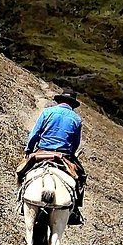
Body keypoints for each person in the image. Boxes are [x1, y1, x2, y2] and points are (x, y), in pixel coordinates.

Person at [23, 89, 87, 223]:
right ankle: (74, 211)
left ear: (59, 100)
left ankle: (21, 199)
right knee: (80, 177)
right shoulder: (76, 119)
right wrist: (71, 154)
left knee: (21, 171)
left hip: (42, 151)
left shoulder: (47, 112)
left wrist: (29, 149)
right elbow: (76, 143)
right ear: (72, 104)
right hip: (64, 154)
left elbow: (34, 134)